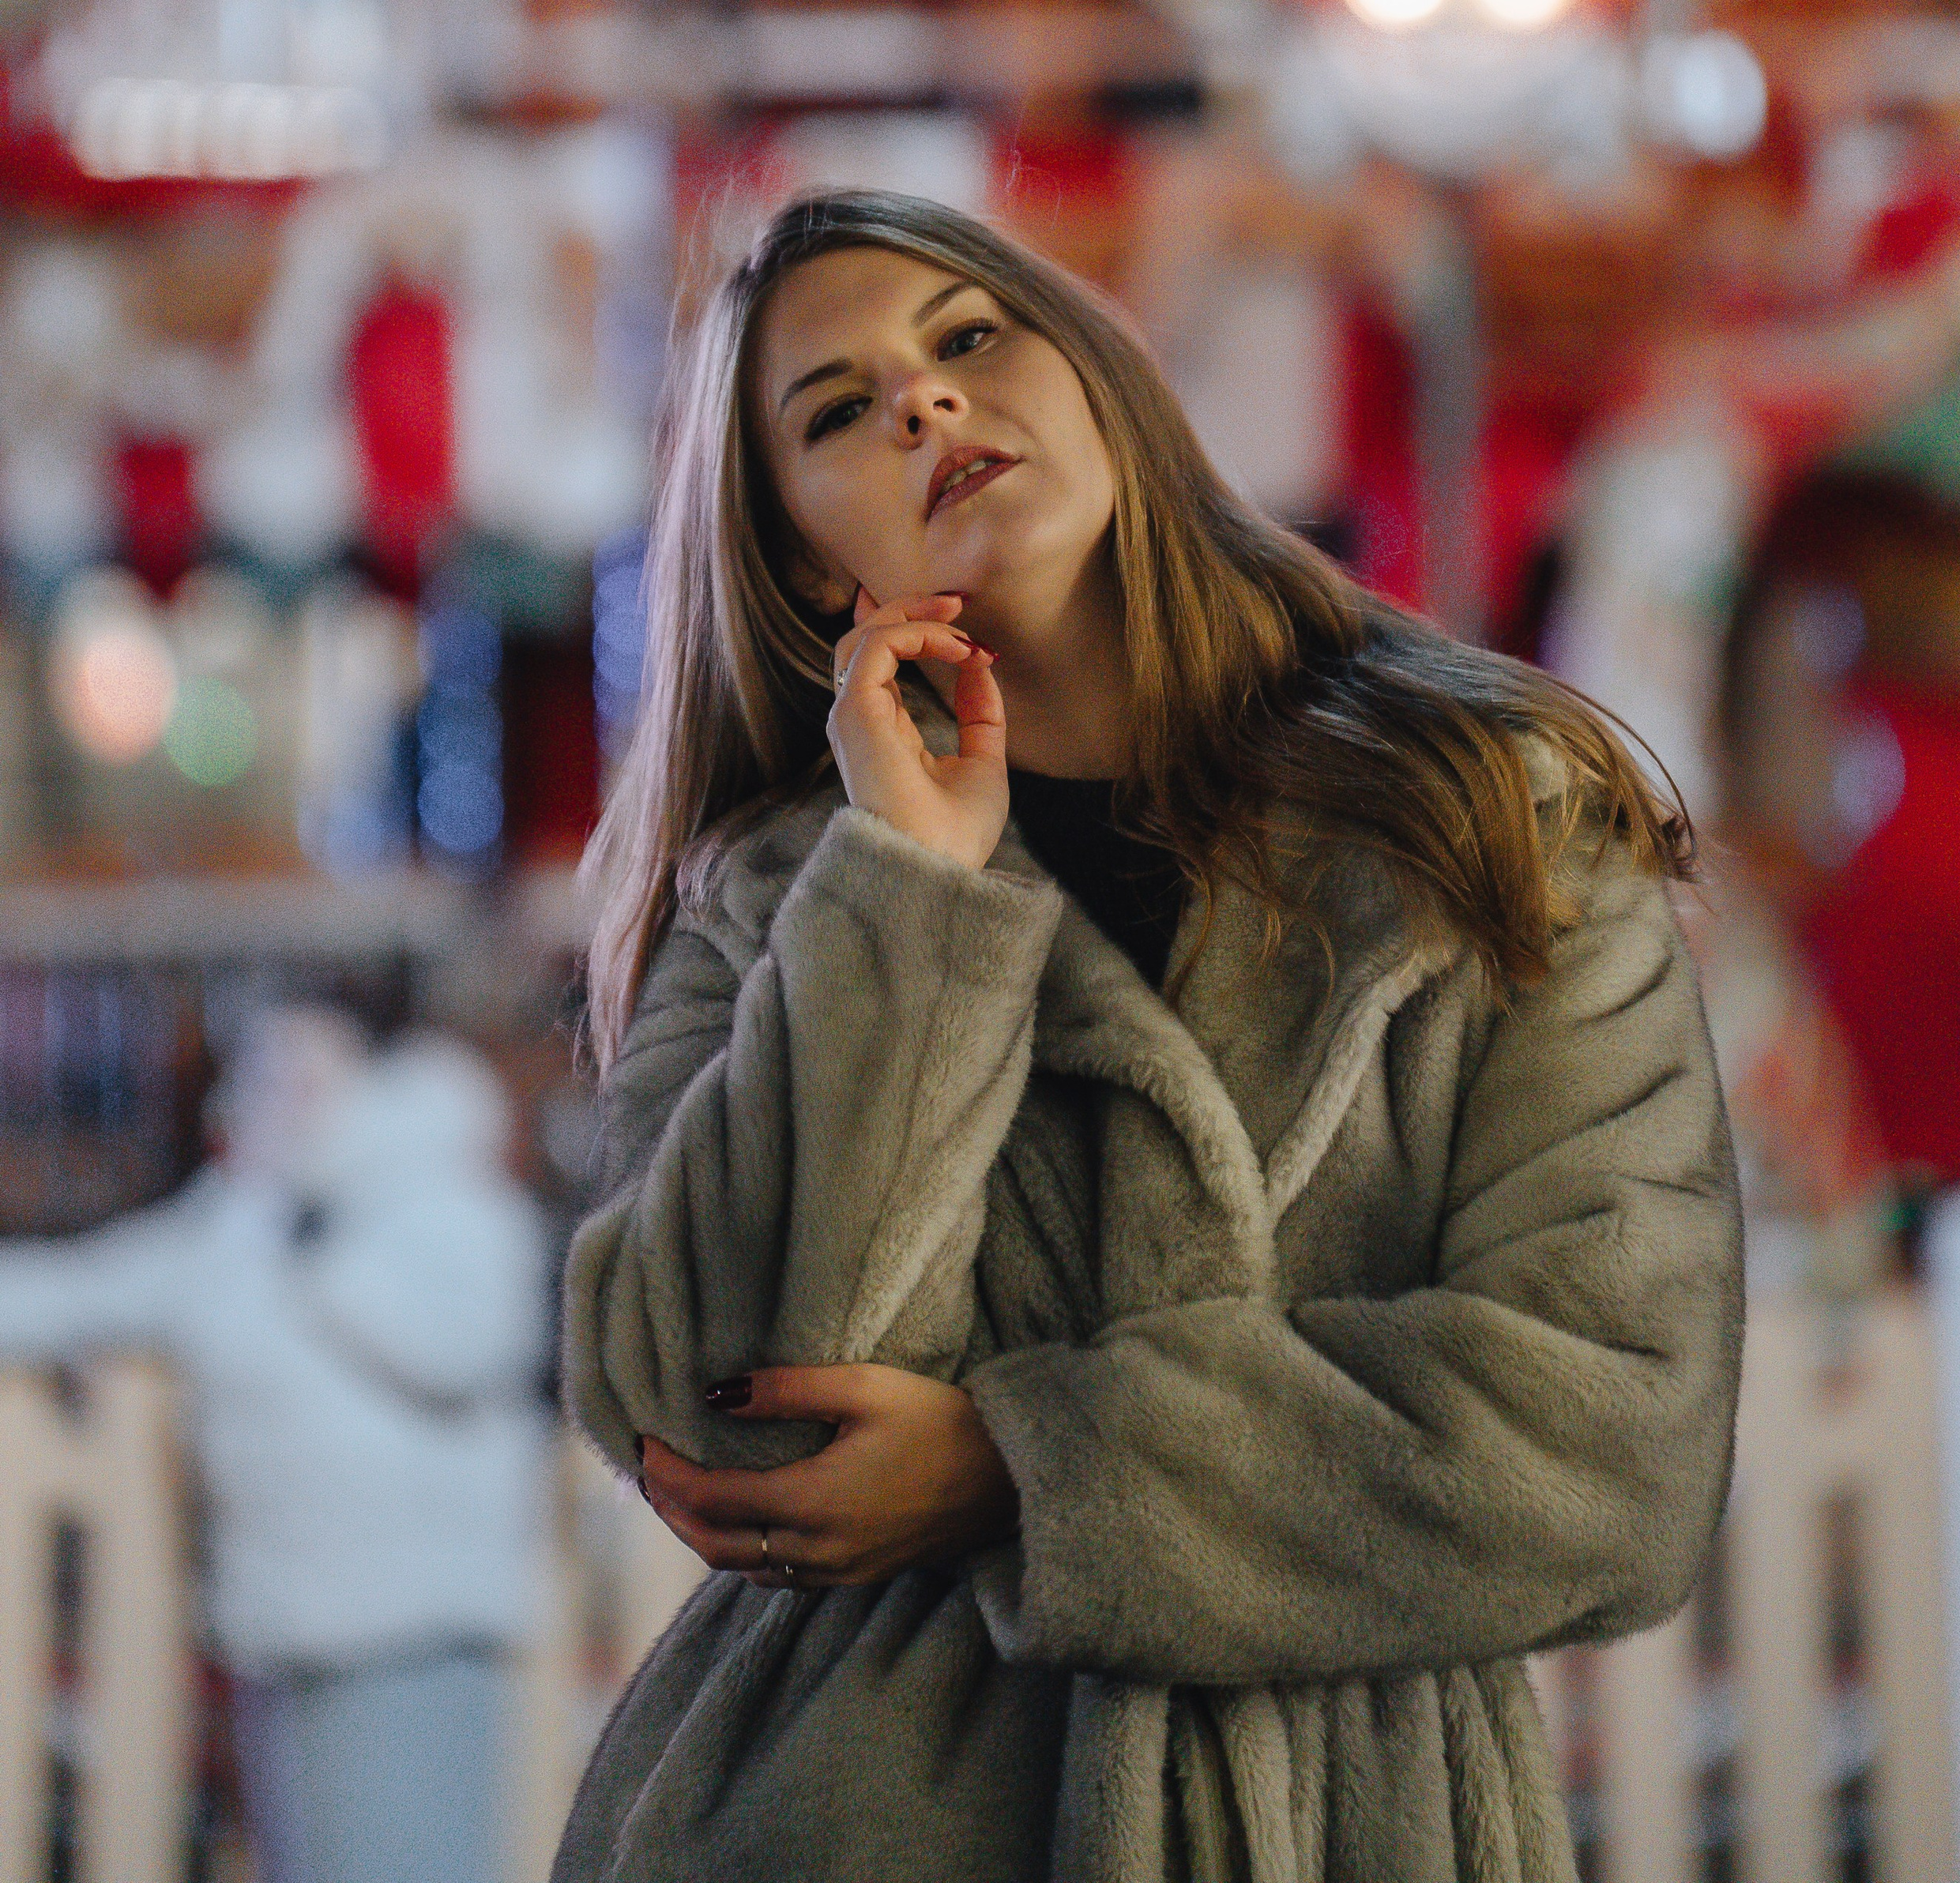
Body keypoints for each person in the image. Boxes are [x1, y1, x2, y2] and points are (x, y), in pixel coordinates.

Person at [558, 190, 1744, 1883]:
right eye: (837, 410)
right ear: (813, 553)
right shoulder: (766, 899)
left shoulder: (1495, 818)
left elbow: (1610, 1442)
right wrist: (905, 894)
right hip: (852, 1817)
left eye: (968, 338)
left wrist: (1020, 1467)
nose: (922, 402)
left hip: (1361, 1822)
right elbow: (730, 1428)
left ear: (1094, 379)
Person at [0, 1005, 550, 1883]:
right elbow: (91, 1286)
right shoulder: (242, 1220)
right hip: (282, 1622)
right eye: (263, 1070)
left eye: (306, 1067)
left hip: (412, 1628)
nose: (276, 1090)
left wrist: (315, 1242)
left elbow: (466, 1345)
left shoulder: (444, 1200)